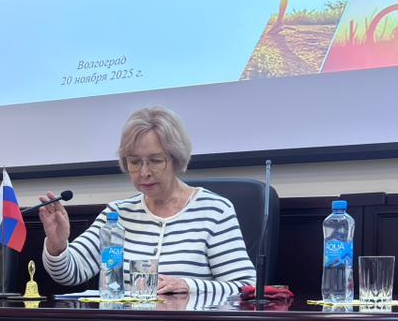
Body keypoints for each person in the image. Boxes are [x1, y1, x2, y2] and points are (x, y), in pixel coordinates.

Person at [37, 107, 256, 296]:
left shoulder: (214, 211)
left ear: (176, 159)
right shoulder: (117, 215)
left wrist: (188, 286)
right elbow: (70, 273)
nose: (144, 172)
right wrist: (57, 245)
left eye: (155, 161)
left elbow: (246, 287)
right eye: (134, 162)